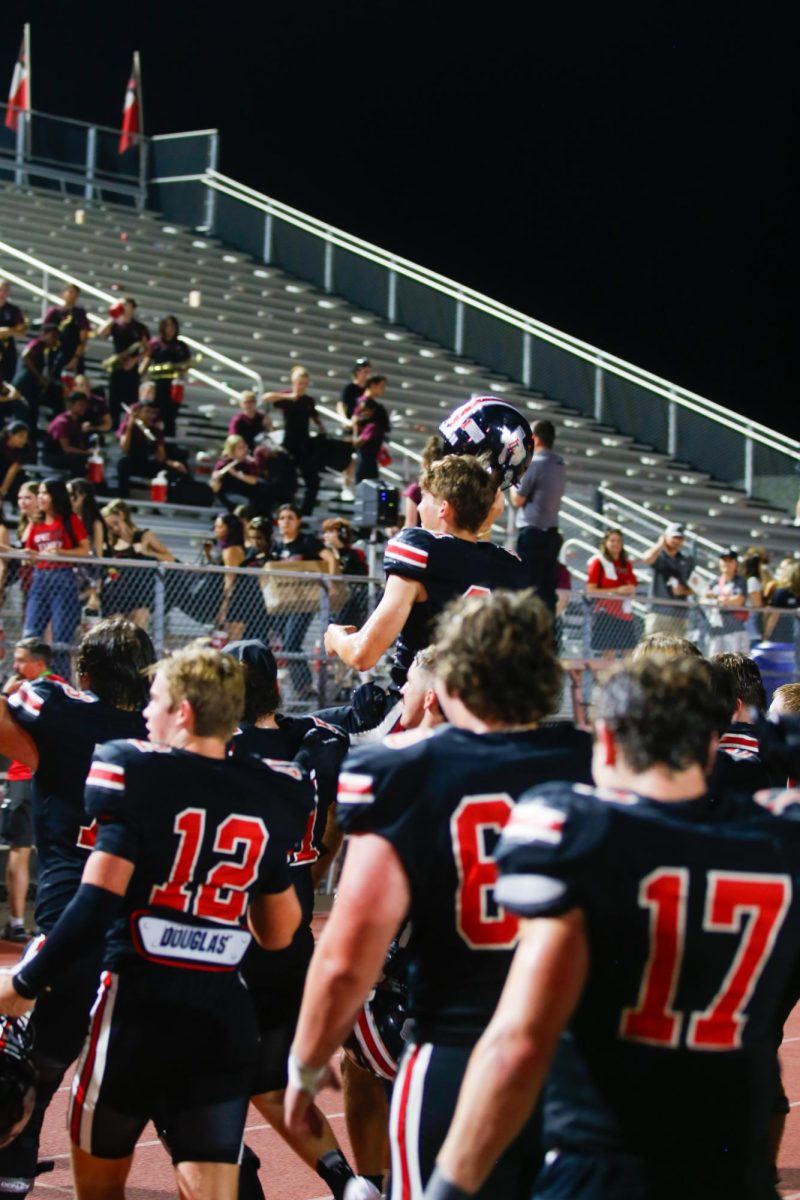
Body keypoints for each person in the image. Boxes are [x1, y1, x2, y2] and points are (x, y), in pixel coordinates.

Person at [425, 653, 800, 1200]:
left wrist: (448, 1188)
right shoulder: (775, 837)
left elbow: (518, 1041)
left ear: (606, 741)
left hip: (605, 1164)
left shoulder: (577, 830)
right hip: (731, 1167)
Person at [285, 589, 594, 1198]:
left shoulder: (398, 770)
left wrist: (303, 1066)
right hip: (573, 1059)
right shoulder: (596, 764)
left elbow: (349, 955)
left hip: (455, 1045)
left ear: (452, 679)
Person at [0, 645, 310, 1200]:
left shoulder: (134, 767)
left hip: (139, 1010)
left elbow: (94, 905)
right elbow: (279, 932)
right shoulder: (274, 785)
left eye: (158, 701)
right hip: (223, 1015)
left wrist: (24, 984)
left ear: (184, 711)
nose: (146, 712)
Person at [0, 618, 155, 1196]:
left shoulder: (58, 707)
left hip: (70, 917)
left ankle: (13, 1161)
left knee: (26, 1054)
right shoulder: (162, 724)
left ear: (84, 672)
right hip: (147, 920)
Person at [226, 640, 376, 1200]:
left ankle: (229, 1166)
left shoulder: (219, 747)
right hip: (293, 935)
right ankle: (348, 1182)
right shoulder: (315, 741)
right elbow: (337, 814)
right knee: (270, 1083)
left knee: (196, 1076)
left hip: (230, 934)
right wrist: (318, 865)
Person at [324, 454, 524, 691]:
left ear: (443, 508)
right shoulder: (508, 563)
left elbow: (362, 655)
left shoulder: (422, 548)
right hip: (480, 711)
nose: (418, 506)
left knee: (299, 728)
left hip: (418, 706)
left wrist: (335, 637)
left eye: (425, 497)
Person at [0, 639, 64, 943]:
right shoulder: (57, 688)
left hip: (37, 776)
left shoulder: (50, 687)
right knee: (20, 848)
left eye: (22, 660)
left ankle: (45, 923)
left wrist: (6, 697)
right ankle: (15, 922)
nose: (16, 666)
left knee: (44, 850)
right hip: (23, 776)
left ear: (40, 663)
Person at [269, 504, 337, 700]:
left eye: (290, 517)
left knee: (291, 643)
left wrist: (330, 583)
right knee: (291, 645)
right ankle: (302, 688)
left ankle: (306, 689)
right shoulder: (277, 545)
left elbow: (330, 557)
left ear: (298, 521)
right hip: (283, 603)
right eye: (282, 518)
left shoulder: (306, 541)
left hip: (304, 602)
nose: (285, 522)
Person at [23, 479, 90, 677]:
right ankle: (28, 679)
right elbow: (31, 555)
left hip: (63, 578)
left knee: (61, 640)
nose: (41, 497)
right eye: (40, 494)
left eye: (45, 493)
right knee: (30, 634)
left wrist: (61, 552)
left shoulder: (70, 520)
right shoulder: (36, 523)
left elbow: (85, 550)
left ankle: (60, 682)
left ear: (55, 496)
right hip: (39, 578)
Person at [511, 418, 566, 614]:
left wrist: (514, 473)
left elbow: (517, 499)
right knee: (547, 593)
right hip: (551, 533)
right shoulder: (559, 464)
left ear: (535, 439)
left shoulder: (535, 463)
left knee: (527, 592)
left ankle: (528, 638)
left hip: (533, 535)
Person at [101, 499, 174, 630]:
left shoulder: (144, 536)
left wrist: (148, 553)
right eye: (110, 527)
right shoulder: (109, 544)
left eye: (116, 523)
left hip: (139, 591)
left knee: (138, 629)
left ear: (122, 516)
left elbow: (169, 558)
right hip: (116, 592)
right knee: (116, 630)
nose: (115, 529)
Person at [263, 366, 326, 516]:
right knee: (286, 479)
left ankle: (306, 511)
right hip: (289, 444)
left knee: (313, 481)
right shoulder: (287, 397)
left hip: (304, 444)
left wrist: (320, 426)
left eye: (304, 383)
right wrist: (289, 397)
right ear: (293, 382)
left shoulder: (308, 400)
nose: (301, 387)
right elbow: (266, 397)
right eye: (299, 383)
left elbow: (314, 415)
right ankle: (282, 510)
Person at [94, 298, 150, 429]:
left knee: (131, 401)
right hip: (117, 365)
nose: (124, 307)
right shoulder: (116, 325)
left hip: (132, 366)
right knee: (114, 400)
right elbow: (101, 332)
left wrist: (135, 360)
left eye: (126, 305)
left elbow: (147, 349)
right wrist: (113, 316)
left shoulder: (140, 328)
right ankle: (113, 427)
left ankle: (128, 428)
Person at [585, 528, 638, 657]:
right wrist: (616, 591)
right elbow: (590, 590)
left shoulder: (626, 564)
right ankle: (604, 678)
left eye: (619, 541)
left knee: (629, 652)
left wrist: (630, 590)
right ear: (605, 543)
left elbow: (632, 585)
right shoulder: (598, 562)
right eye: (612, 540)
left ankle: (628, 678)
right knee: (609, 653)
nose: (616, 543)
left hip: (625, 614)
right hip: (606, 613)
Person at [640, 522, 696, 636]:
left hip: (679, 612)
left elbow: (696, 587)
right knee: (653, 649)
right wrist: (660, 544)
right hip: (658, 611)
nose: (676, 541)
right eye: (674, 537)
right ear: (665, 537)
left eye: (680, 538)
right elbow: (646, 559)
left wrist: (683, 591)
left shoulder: (686, 560)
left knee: (676, 651)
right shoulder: (659, 556)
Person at [142, 315, 191, 438]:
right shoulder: (155, 343)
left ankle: (169, 439)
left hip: (174, 384)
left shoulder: (181, 346)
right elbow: (147, 360)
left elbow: (187, 363)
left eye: (173, 325)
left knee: (171, 414)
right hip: (158, 383)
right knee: (154, 411)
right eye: (168, 325)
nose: (170, 328)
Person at [11, 323, 61, 430]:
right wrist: (39, 377)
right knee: (23, 414)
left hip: (31, 386)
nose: (54, 340)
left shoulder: (44, 351)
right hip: (25, 384)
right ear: (44, 334)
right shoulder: (38, 343)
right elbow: (25, 355)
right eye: (52, 336)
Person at [321, 517, 368, 628]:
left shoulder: (354, 554)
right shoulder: (326, 555)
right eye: (325, 532)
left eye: (331, 532)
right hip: (334, 600)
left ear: (342, 534)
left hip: (353, 600)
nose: (326, 535)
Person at [211, 434, 274, 514]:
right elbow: (215, 485)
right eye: (240, 448)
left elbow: (254, 481)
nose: (244, 450)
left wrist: (236, 474)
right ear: (232, 450)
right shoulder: (224, 463)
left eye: (244, 447)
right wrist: (217, 478)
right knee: (245, 502)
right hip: (229, 494)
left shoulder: (249, 463)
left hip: (247, 493)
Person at [704, 548, 749, 655]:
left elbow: (739, 600)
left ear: (736, 563)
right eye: (724, 560)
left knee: (735, 661)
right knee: (714, 660)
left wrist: (716, 598)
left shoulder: (741, 581)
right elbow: (704, 598)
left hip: (735, 628)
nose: (727, 563)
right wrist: (725, 600)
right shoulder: (714, 582)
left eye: (730, 561)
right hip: (716, 628)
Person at [43, 285, 90, 384]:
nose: (73, 296)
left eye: (76, 294)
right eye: (70, 292)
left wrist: (76, 358)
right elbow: (45, 332)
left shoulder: (79, 313)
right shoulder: (54, 312)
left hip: (73, 351)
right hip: (55, 352)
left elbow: (83, 337)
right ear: (63, 293)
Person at [41, 392, 91, 474]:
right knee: (80, 460)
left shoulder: (77, 420)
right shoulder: (62, 422)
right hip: (53, 456)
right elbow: (66, 448)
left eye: (85, 405)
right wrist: (87, 453)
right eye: (81, 405)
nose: (84, 408)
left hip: (64, 455)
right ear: (71, 405)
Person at [353, 381, 390, 484]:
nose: (363, 414)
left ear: (372, 411)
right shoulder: (377, 427)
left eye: (365, 410)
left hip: (365, 465)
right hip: (372, 464)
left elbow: (356, 443)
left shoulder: (372, 427)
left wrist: (355, 427)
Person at [0, 281, 26, 387]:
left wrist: (9, 331)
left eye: (5, 290)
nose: (2, 293)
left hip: (8, 351)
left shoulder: (13, 310)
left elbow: (22, 331)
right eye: (0, 289)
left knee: (6, 383)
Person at [0, 423, 31, 508]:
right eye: (20, 436)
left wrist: (2, 492)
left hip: (12, 474)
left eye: (25, 437)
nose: (23, 440)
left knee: (22, 480)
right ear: (10, 435)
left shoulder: (26, 448)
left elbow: (13, 469)